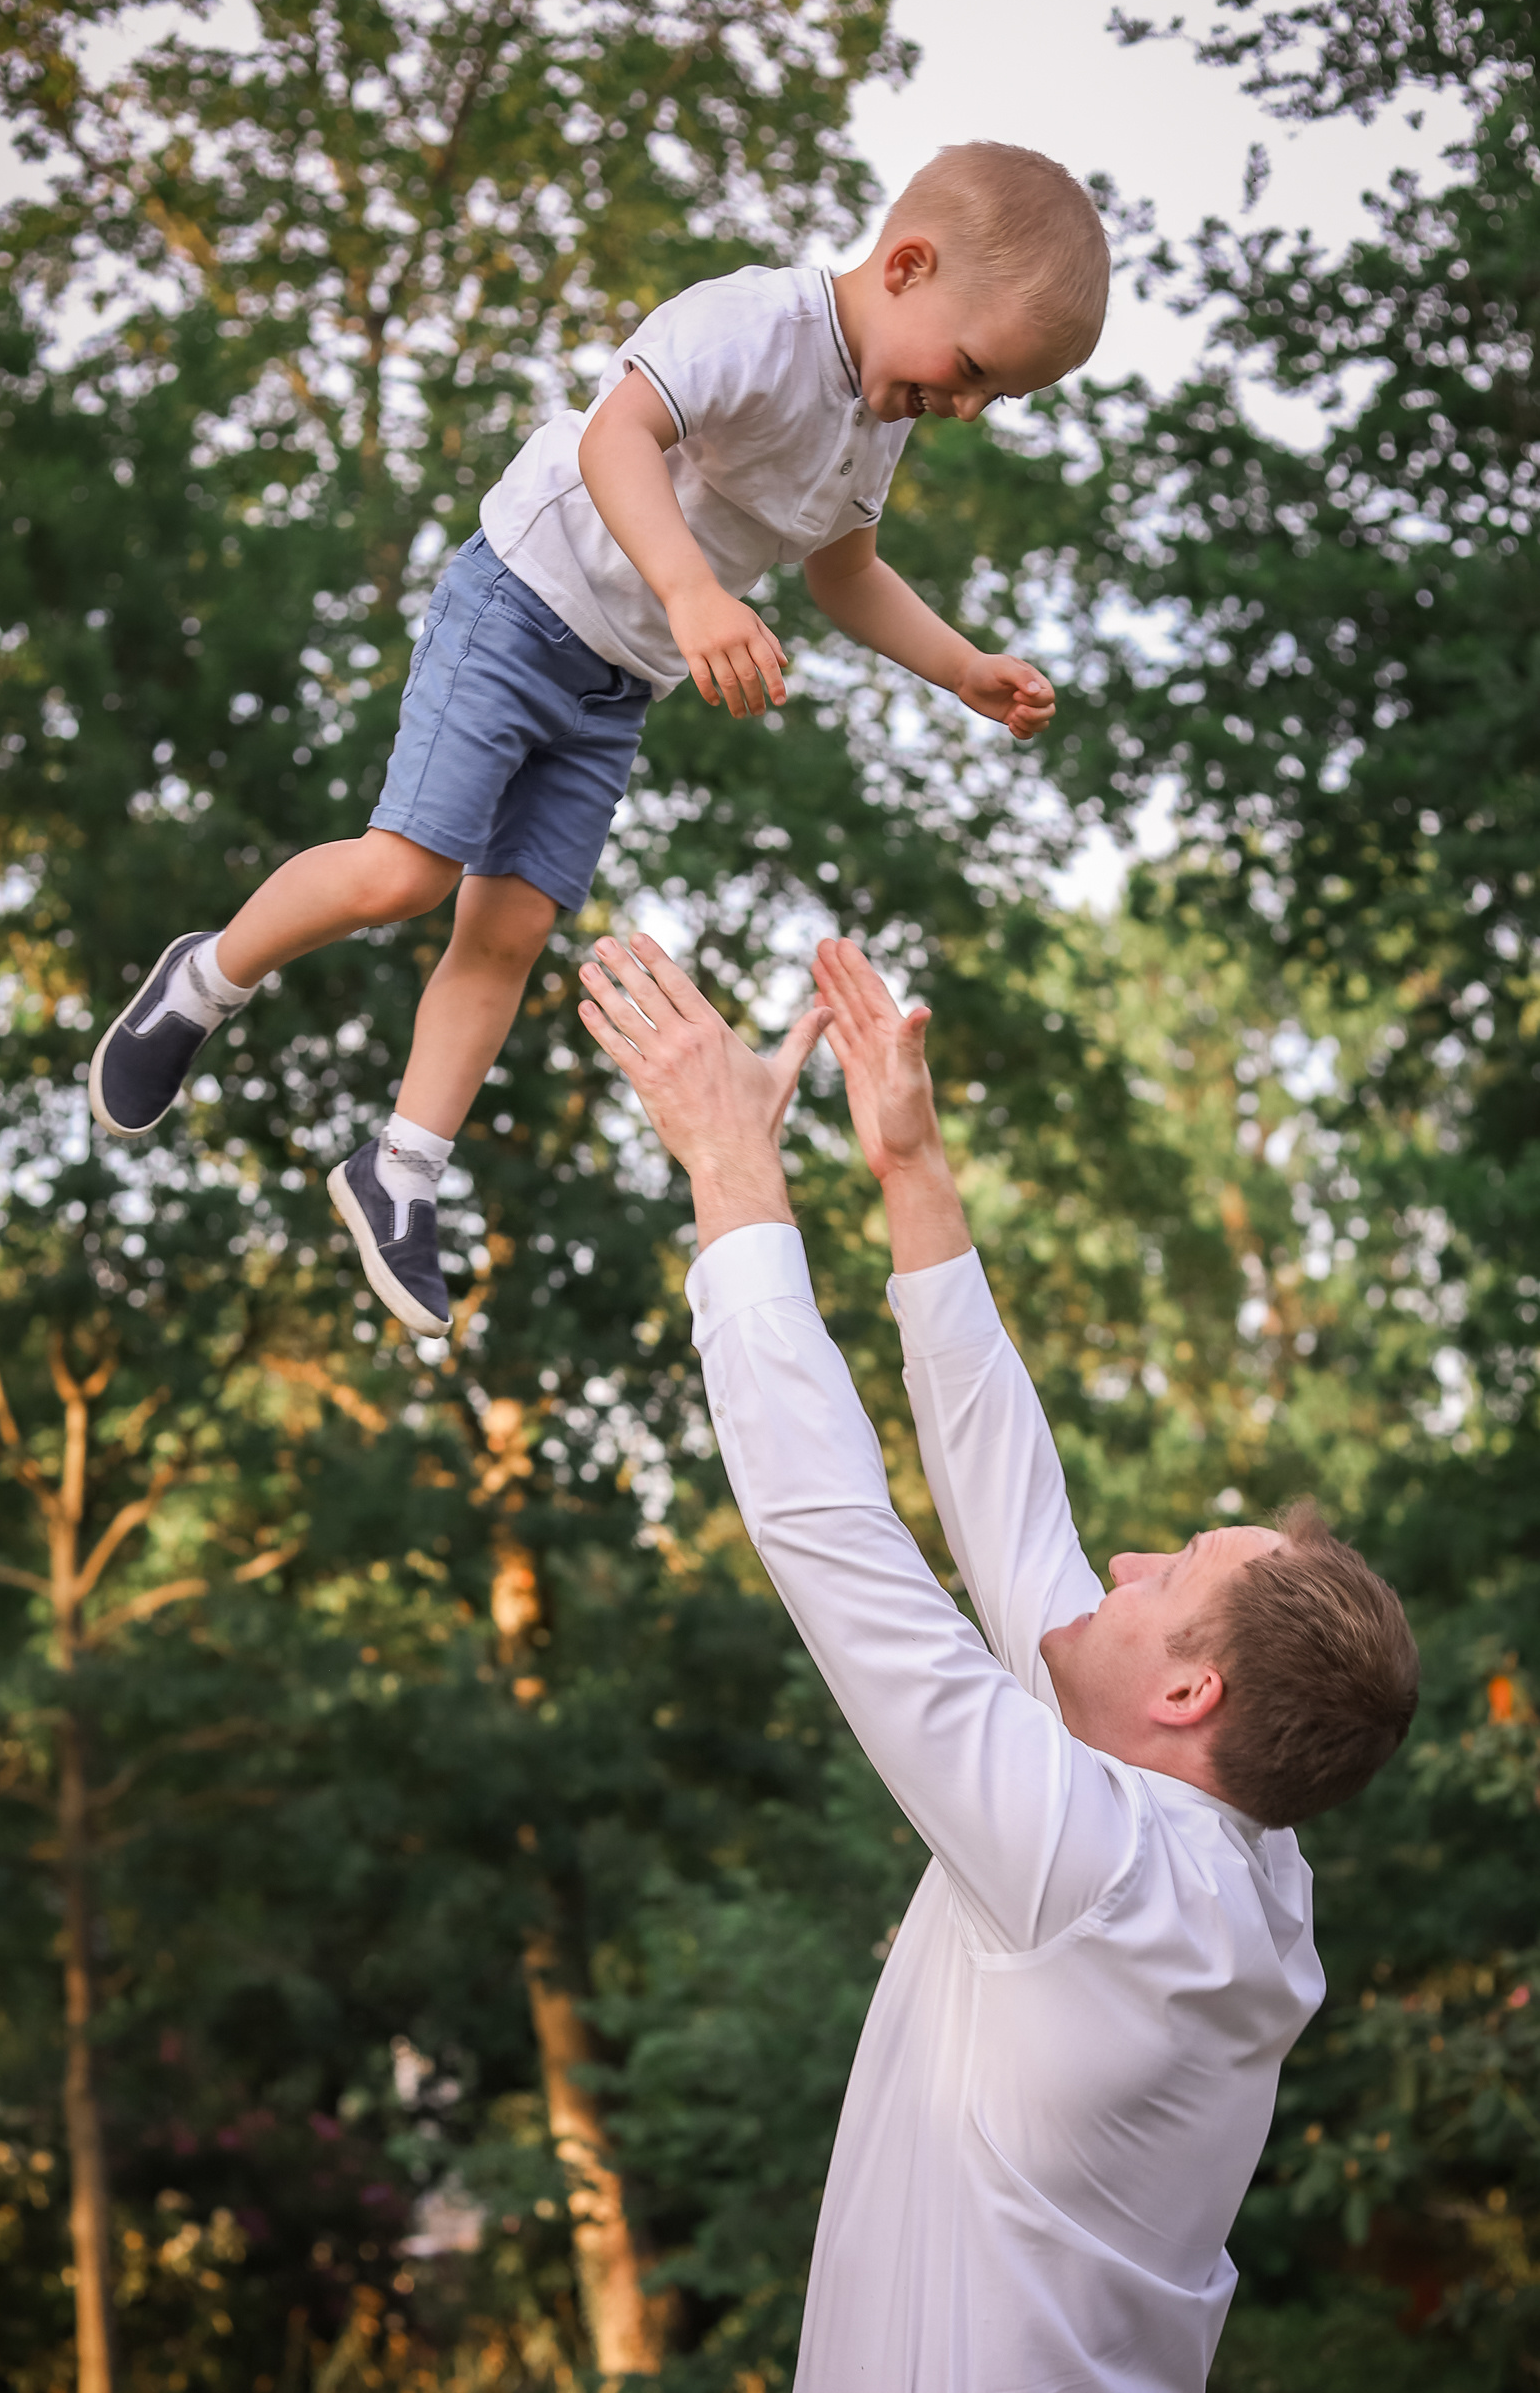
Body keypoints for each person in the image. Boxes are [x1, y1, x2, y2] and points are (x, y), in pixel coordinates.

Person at [574, 927, 1420, 2393]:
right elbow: (1014, 1525)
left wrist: (729, 1165)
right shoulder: (1230, 1863)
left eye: (1175, 1575)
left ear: (1186, 1696)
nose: (1129, 1560)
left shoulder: (1100, 1876)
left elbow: (837, 1539)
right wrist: (910, 1171)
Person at [87, 142, 1110, 1334]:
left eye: (1000, 397)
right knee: (407, 872)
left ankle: (401, 1171)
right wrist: (691, 592)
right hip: (522, 598)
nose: (971, 408)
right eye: (973, 369)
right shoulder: (754, 324)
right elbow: (611, 439)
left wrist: (963, 667)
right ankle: (204, 979)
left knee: (513, 926)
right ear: (909, 267)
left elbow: (849, 577)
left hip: (618, 679)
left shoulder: (876, 431)